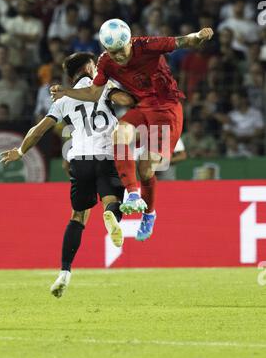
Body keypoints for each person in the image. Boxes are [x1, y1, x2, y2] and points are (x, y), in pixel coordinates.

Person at [50, 19, 214, 241]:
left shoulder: (146, 46)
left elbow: (180, 41)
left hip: (167, 110)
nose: (116, 56)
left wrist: (199, 36)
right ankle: (133, 194)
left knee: (147, 167)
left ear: (128, 42)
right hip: (142, 107)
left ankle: (149, 214)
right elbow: (93, 93)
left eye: (119, 51)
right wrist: (66, 92)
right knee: (119, 133)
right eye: (111, 51)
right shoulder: (106, 61)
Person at [0, 52, 136, 298]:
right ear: (88, 67)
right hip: (107, 156)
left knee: (78, 217)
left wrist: (20, 151)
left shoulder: (63, 99)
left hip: (80, 160)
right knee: (113, 202)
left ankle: (65, 272)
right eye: (95, 65)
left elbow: (39, 130)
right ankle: (110, 214)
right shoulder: (104, 86)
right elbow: (127, 100)